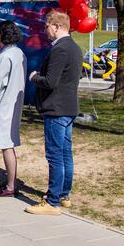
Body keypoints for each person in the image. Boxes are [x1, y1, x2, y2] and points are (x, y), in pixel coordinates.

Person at [25, 11, 82, 216]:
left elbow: (50, 81)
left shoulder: (60, 50)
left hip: (57, 109)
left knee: (55, 155)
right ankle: (64, 195)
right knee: (65, 153)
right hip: (68, 107)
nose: (45, 30)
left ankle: (53, 200)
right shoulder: (74, 47)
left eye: (47, 27)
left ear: (56, 26)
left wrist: (34, 77)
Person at [0, 21, 27, 197]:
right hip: (13, 101)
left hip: (2, 103)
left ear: (3, 34)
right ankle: (11, 179)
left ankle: (10, 186)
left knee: (6, 144)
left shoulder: (5, 56)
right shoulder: (19, 53)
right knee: (8, 142)